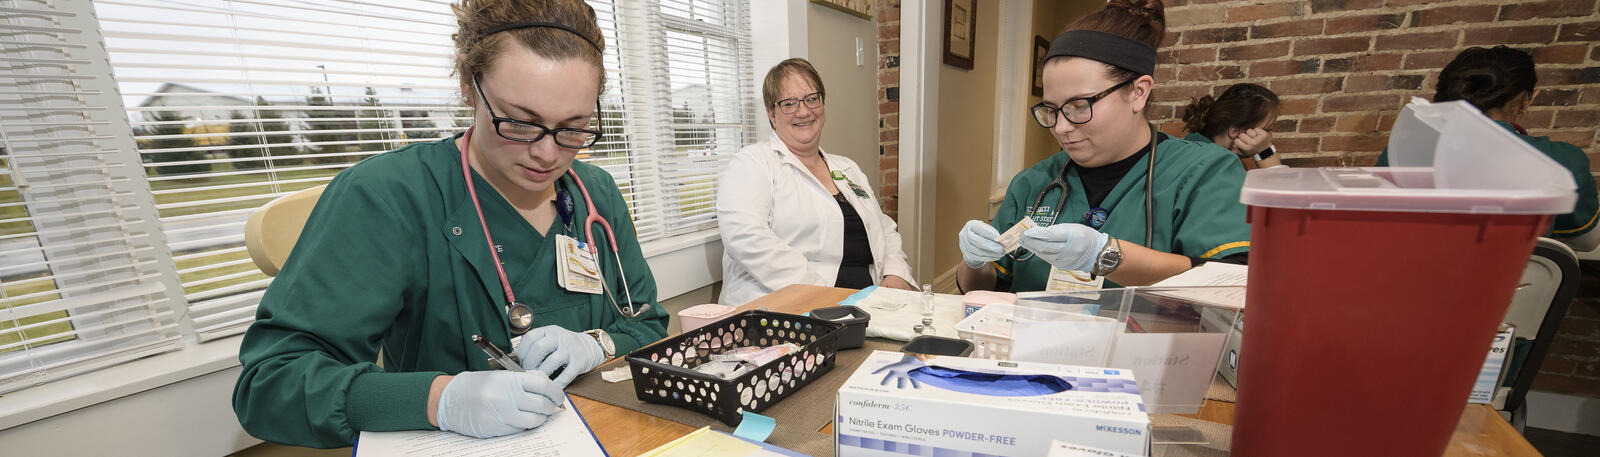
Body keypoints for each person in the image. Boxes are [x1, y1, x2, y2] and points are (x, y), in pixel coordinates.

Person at [232, 0, 668, 448]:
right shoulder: (387, 196)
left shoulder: (593, 191)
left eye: (573, 128)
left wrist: (596, 344)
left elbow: (648, 323)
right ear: (468, 85)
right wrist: (439, 399)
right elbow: (270, 386)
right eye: (519, 123)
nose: (548, 154)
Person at [956, 0, 1250, 293]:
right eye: (1051, 110)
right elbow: (986, 289)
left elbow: (1231, 284)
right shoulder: (1032, 184)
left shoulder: (1205, 172)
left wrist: (1105, 255)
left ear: (1138, 92)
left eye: (1079, 106)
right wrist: (974, 261)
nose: (1060, 127)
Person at [716, 58, 916, 306]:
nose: (803, 111)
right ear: (771, 114)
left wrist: (895, 272)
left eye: (812, 98)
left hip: (869, 303)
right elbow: (746, 238)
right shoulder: (753, 163)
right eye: (789, 103)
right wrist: (827, 295)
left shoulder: (847, 168)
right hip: (787, 308)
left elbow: (883, 227)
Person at [1376, 46, 1598, 239]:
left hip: (1416, 280)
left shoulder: (1399, 150)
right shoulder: (1566, 161)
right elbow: (1586, 240)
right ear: (1526, 100)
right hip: (1515, 283)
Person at [1182, 83, 1285, 169]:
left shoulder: (1195, 144)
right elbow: (1279, 190)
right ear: (1235, 132)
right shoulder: (1216, 165)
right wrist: (1265, 151)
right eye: (1267, 130)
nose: (1269, 138)